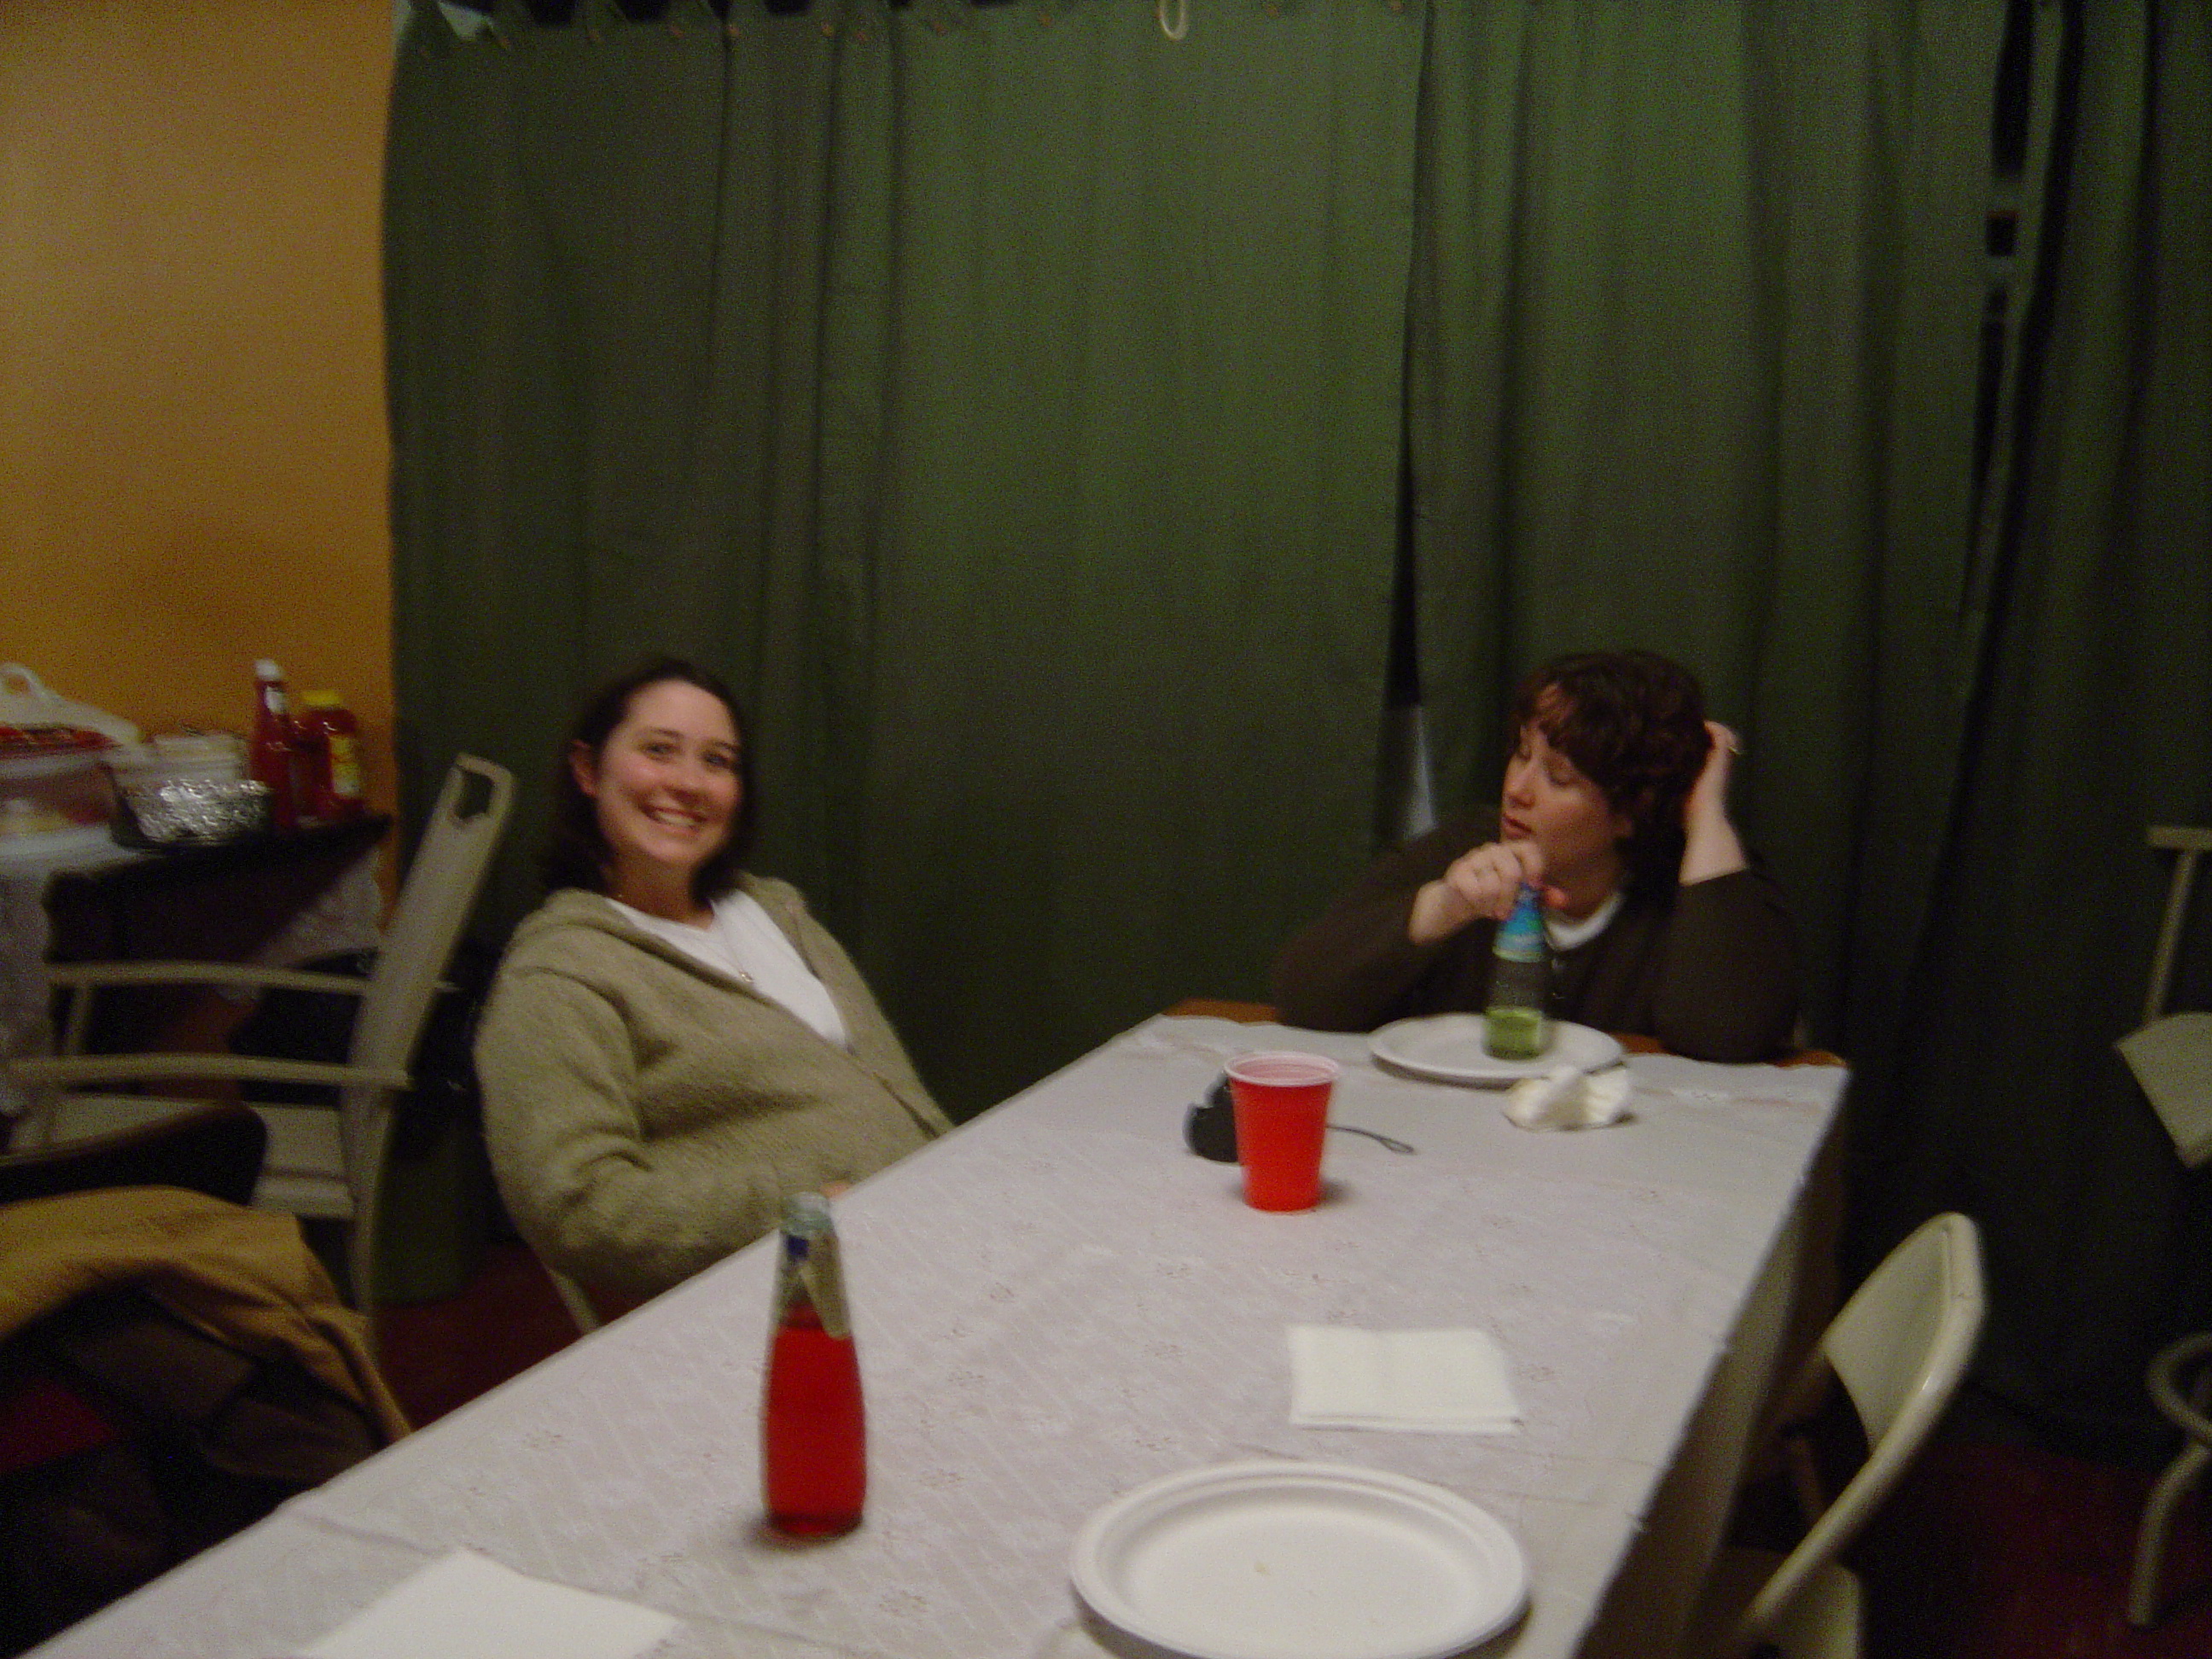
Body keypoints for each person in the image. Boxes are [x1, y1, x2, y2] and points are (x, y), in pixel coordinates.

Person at [474, 657, 950, 1305]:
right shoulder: (561, 974)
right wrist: (804, 1209)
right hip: (805, 1293)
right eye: (658, 750)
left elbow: (896, 1086)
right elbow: (577, 1208)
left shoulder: (777, 911)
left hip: (926, 1230)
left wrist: (949, 1174)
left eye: (717, 761)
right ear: (587, 770)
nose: (688, 783)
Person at [1269, 649, 1798, 1061]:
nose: (1518, 789)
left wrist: (1704, 814)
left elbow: (1728, 1034)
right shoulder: (1466, 845)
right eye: (1522, 754)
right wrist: (1445, 906)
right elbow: (1301, 994)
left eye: (1559, 777)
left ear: (1630, 810)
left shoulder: (1696, 884)